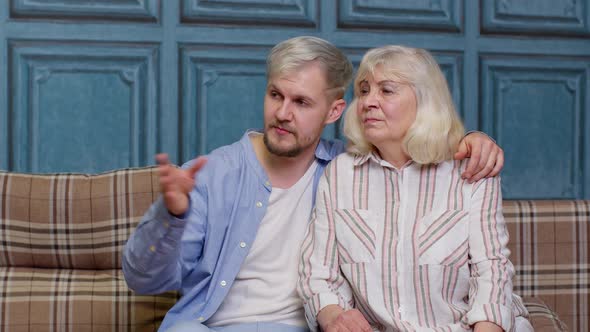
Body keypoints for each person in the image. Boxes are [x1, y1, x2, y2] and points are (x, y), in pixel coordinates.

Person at [122, 37, 504, 332]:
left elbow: (410, 154)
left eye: (302, 102)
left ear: (334, 110)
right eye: (275, 95)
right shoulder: (212, 174)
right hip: (209, 325)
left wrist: (470, 140)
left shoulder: (348, 169)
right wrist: (170, 216)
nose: (282, 114)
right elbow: (143, 280)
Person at [297, 45, 532, 332]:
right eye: (364, 90)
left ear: (424, 101)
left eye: (386, 90)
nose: (368, 102)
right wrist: (333, 315)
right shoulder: (339, 174)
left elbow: (492, 270)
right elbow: (318, 272)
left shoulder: (471, 172)